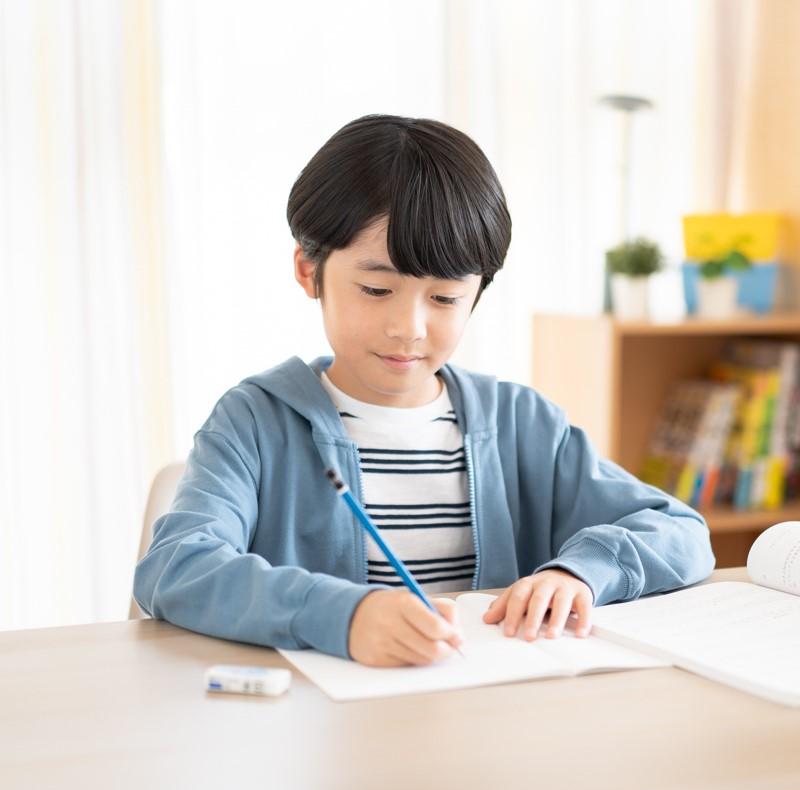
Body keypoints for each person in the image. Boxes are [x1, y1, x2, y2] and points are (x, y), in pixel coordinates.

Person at [133, 114, 714, 667]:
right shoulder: (255, 422)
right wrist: (342, 615)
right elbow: (177, 568)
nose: (409, 328)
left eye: (444, 298)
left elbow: (680, 531)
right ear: (309, 271)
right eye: (375, 289)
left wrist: (579, 573)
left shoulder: (521, 423)